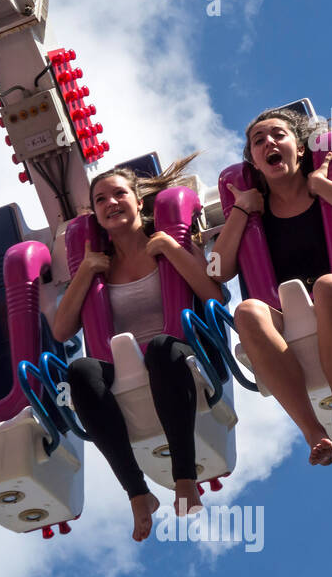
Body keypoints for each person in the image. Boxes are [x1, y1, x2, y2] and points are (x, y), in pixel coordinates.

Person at [53, 157, 226, 542]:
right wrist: (84, 272)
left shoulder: (167, 244)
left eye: (119, 194)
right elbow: (62, 329)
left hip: (183, 357)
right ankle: (138, 493)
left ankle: (184, 478)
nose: (111, 203)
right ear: (95, 214)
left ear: (138, 201)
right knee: (80, 371)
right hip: (123, 370)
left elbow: (214, 295)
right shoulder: (97, 267)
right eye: (100, 200)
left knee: (162, 349)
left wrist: (173, 250)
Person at [210, 107, 332, 466]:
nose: (269, 143)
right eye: (258, 142)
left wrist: (323, 186)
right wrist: (241, 211)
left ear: (300, 147)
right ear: (256, 164)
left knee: (325, 286)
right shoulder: (253, 209)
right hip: (286, 311)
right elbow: (216, 270)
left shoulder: (329, 180)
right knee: (246, 311)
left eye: (279, 135)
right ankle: (312, 431)